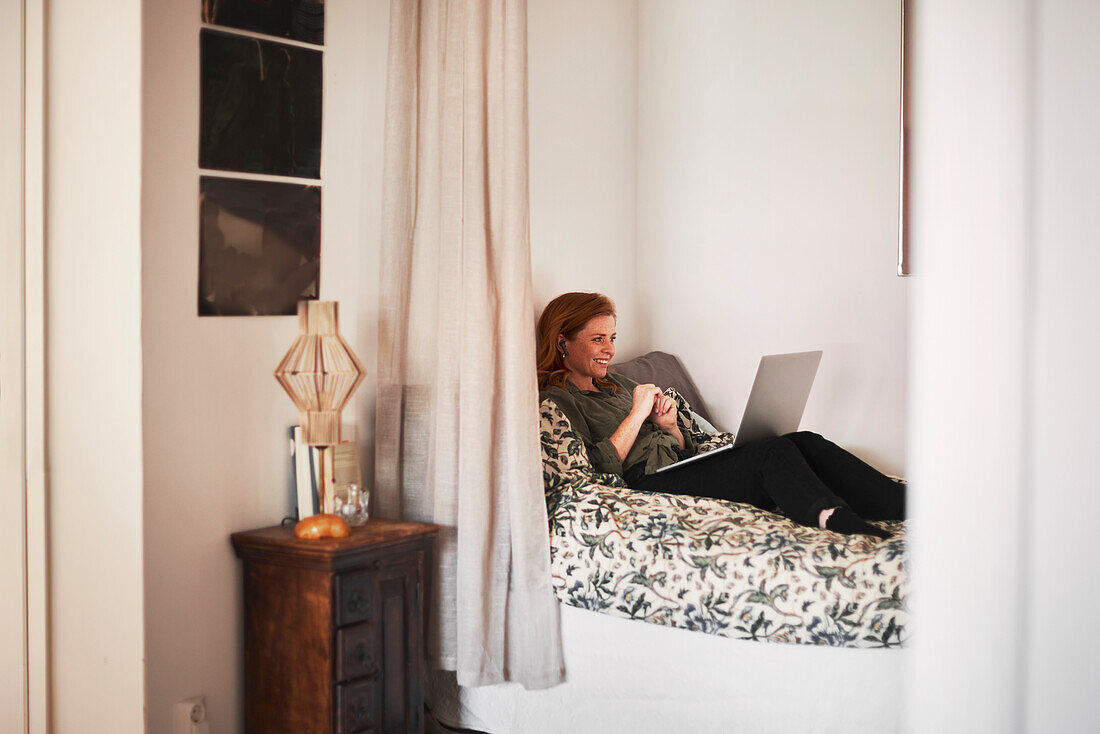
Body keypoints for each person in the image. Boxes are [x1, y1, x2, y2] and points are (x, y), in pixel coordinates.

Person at [536, 292, 906, 539]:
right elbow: (600, 469)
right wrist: (636, 415)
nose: (610, 350)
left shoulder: (615, 383)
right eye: (598, 339)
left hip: (672, 469)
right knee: (770, 455)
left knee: (800, 440)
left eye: (613, 338)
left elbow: (679, 448)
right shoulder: (557, 401)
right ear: (563, 341)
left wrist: (669, 427)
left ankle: (900, 502)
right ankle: (833, 518)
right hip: (642, 484)